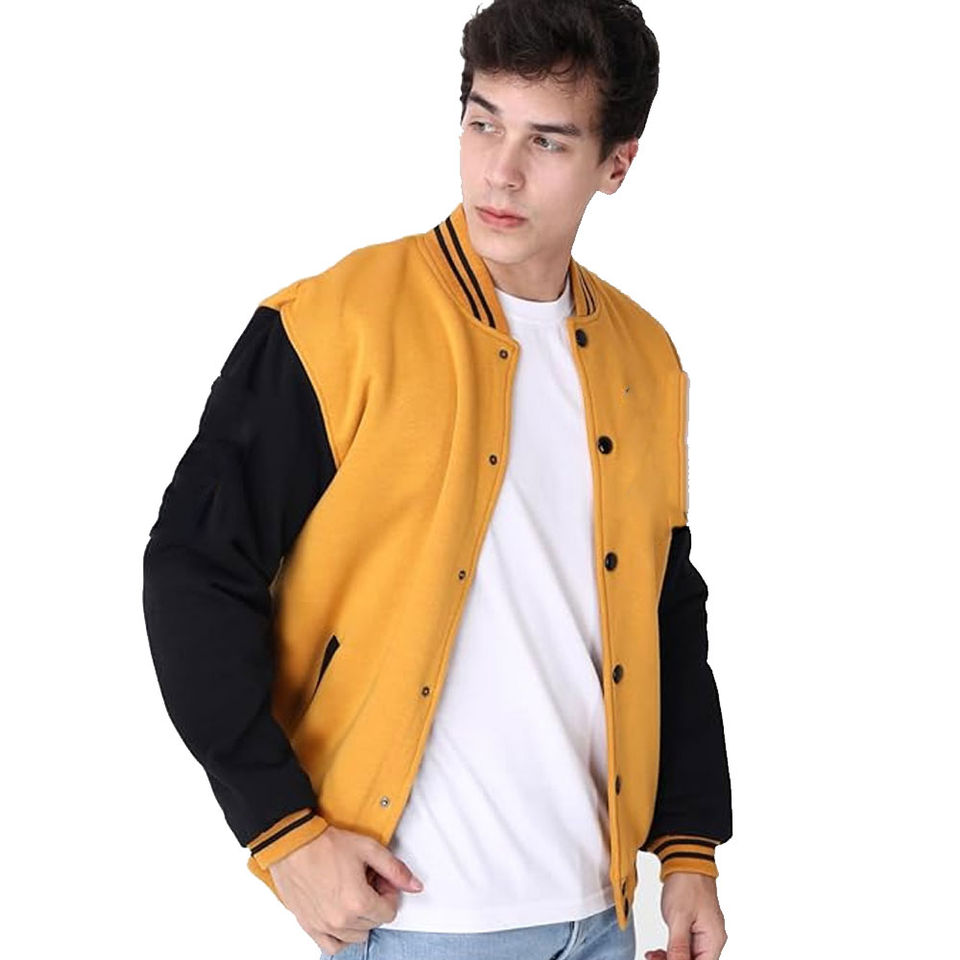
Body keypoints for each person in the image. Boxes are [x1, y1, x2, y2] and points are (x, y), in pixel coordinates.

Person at [141, 1, 732, 958]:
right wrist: (281, 830)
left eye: (547, 140)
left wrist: (689, 849)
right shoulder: (337, 322)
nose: (501, 170)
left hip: (605, 916)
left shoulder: (644, 359)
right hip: (417, 919)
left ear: (617, 163)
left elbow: (666, 610)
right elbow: (194, 570)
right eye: (483, 122)